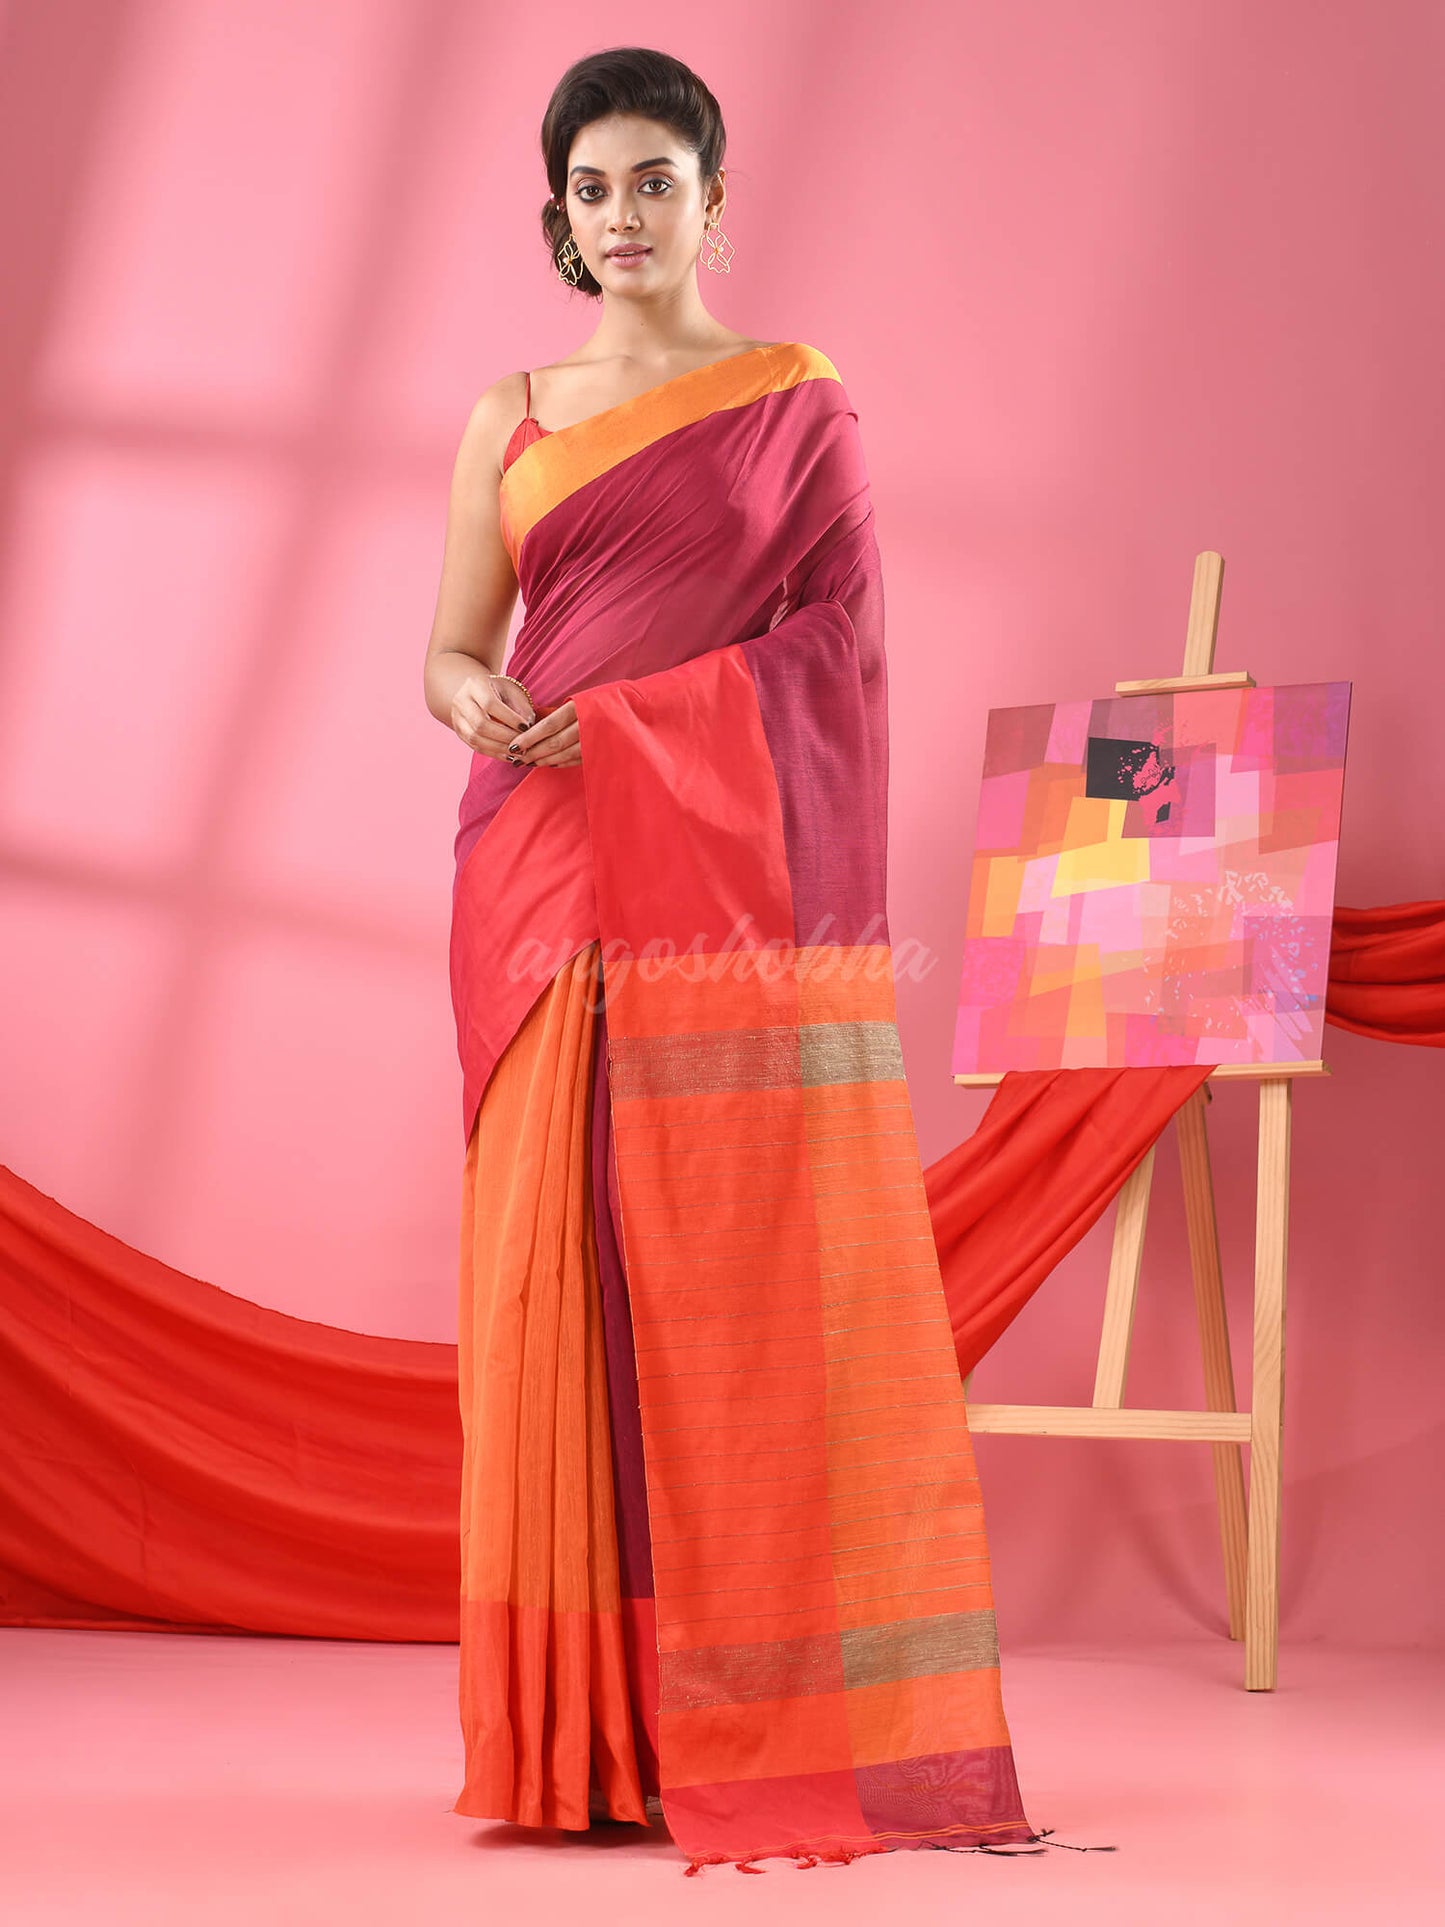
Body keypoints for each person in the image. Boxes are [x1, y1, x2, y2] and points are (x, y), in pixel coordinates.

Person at [421, 44, 1036, 1873]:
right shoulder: (510, 414)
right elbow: (450, 646)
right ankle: (574, 1739)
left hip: (709, 882)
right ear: (559, 214)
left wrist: (634, 728)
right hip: (533, 871)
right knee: (552, 1284)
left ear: (712, 200)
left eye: (654, 182)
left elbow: (839, 645)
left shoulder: (790, 400)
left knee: (718, 1278)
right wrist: (478, 700)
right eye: (591, 188)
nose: (623, 215)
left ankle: (740, 1709)